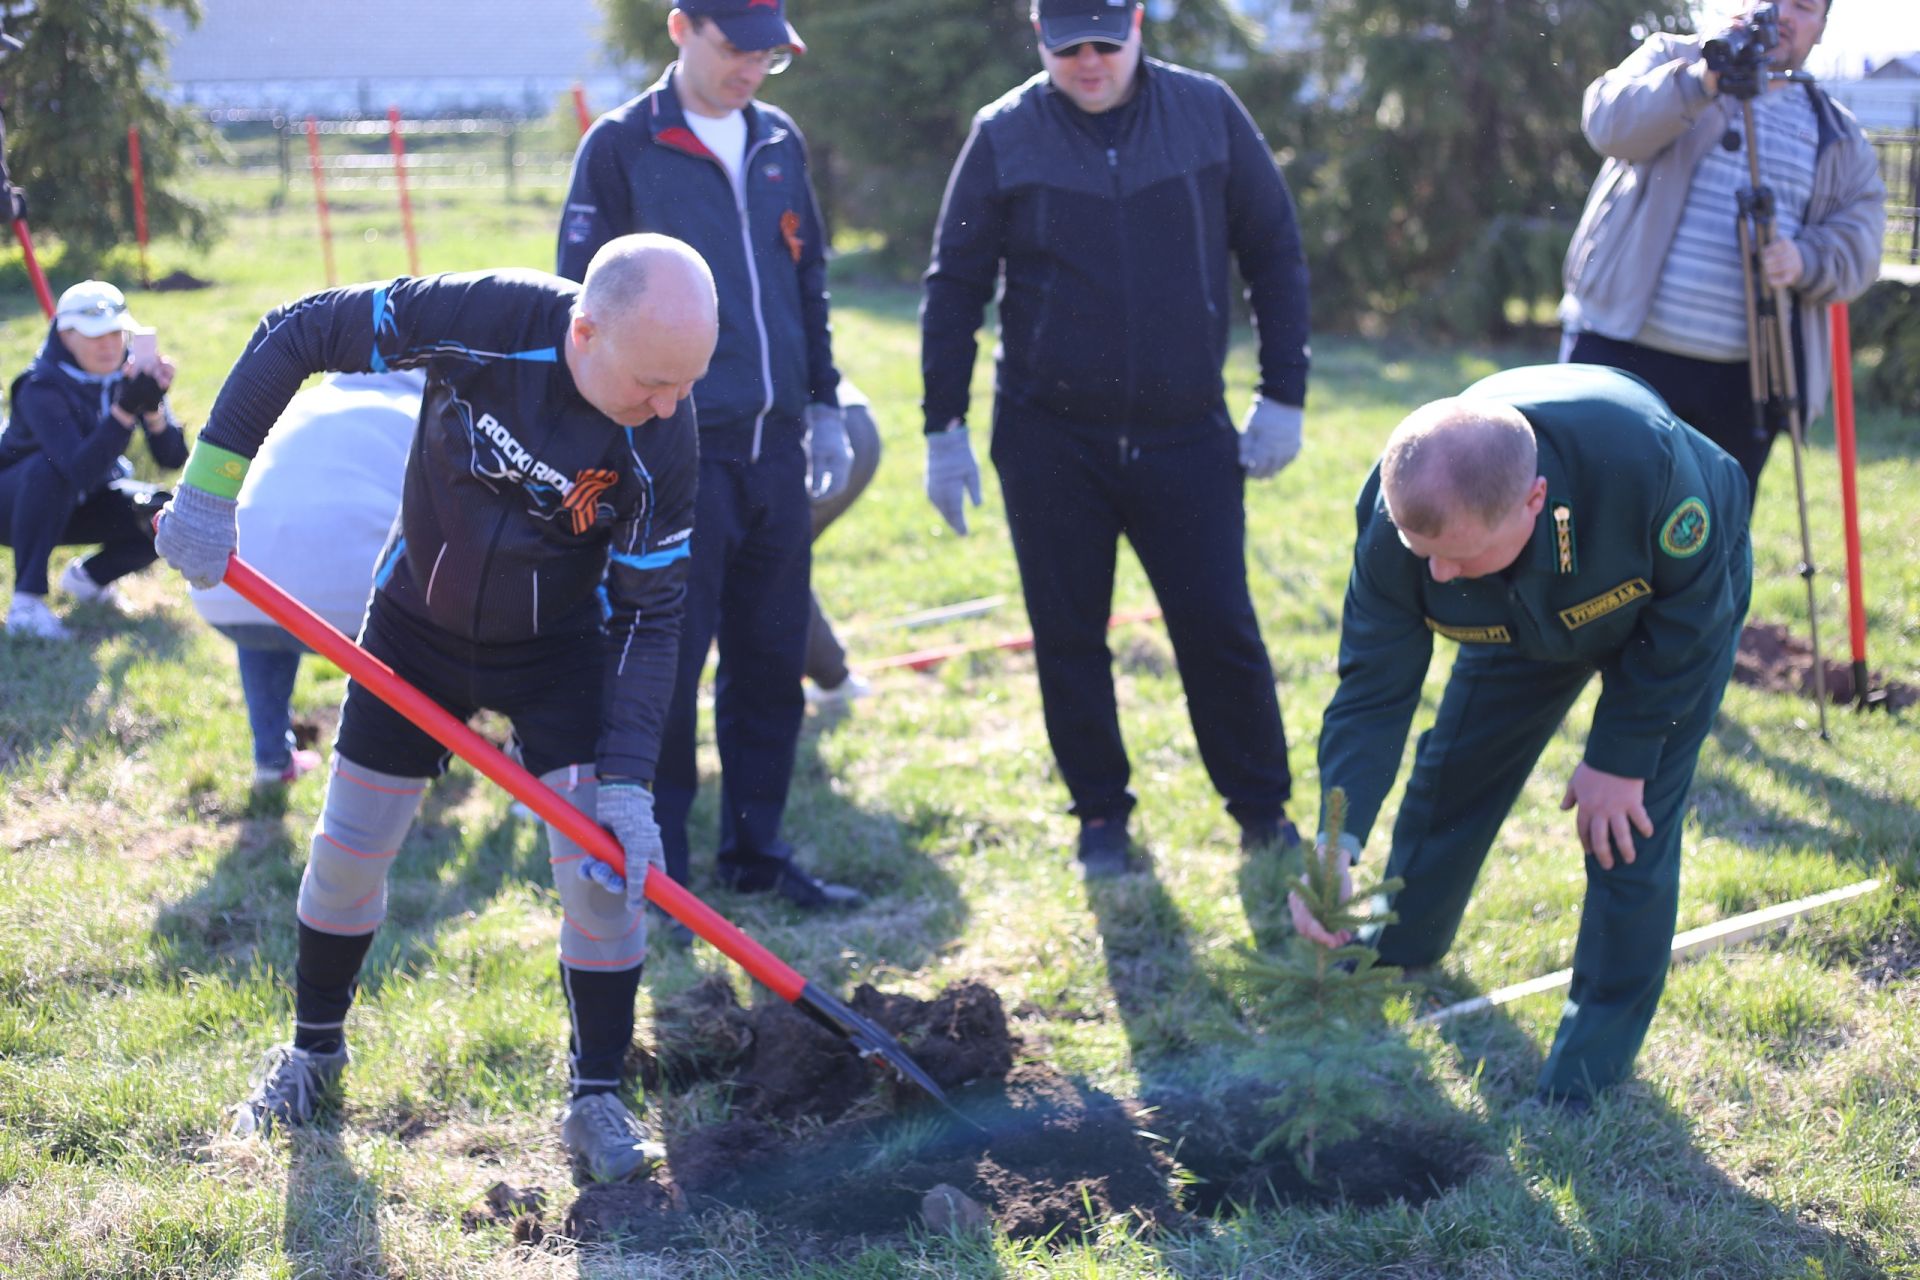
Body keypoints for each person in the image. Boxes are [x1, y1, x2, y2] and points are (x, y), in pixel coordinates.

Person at [154, 235, 717, 1183]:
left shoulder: (667, 433)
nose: (670, 405)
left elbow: (651, 617)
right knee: (346, 856)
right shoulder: (484, 320)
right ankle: (313, 1055)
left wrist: (627, 779)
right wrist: (211, 492)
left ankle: (596, 1098)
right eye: (655, 381)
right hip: (416, 628)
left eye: (686, 384)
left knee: (600, 880)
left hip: (560, 656)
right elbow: (293, 333)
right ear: (585, 332)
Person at [920, 0, 1311, 878]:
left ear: (1138, 25)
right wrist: (941, 426)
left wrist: (1283, 392)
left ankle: (1261, 809)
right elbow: (956, 285)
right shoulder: (1004, 134)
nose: (1089, 62)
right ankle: (1101, 817)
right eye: (1068, 48)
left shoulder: (1207, 113)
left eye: (1106, 42)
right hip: (1050, 437)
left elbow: (1274, 249)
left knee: (1218, 626)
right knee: (1068, 633)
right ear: (1038, 39)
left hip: (1187, 436)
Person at [1303, 363, 1752, 1108]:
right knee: (1455, 770)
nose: (1441, 576)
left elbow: (1693, 622)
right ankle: (1401, 945)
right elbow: (1372, 692)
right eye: (1426, 557)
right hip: (1518, 615)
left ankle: (1588, 1071)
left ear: (1534, 499)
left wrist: (1623, 755)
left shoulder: (1647, 467)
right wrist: (1334, 840)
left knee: (1624, 830)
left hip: (1665, 616)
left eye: (1459, 555)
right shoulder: (1403, 524)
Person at [558, 0, 862, 910]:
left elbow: (807, 278)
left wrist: (827, 403)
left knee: (771, 660)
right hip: (676, 450)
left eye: (772, 55)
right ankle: (663, 876)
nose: (753, 70)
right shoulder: (621, 148)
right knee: (667, 667)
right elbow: (582, 308)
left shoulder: (778, 142)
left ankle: (758, 853)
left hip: (779, 447)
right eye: (738, 49)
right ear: (681, 28)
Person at [1559, 0, 1885, 502]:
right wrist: (1700, 82)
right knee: (1593, 517)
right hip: (1619, 352)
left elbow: (1861, 238)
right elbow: (1607, 122)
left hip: (1745, 384)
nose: (1782, 16)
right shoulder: (1674, 58)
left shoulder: (1834, 132)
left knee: (1704, 545)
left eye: (1803, 7)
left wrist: (1806, 259)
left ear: (1821, 30)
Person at [188, 371, 421, 790]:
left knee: (269, 604)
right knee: (419, 631)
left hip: (232, 585)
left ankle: (271, 760)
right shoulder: (425, 411)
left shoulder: (304, 402)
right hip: (356, 603)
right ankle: (394, 772)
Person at [1, 280, 186, 640]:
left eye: (117, 333)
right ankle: (26, 604)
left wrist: (153, 409)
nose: (109, 345)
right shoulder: (40, 385)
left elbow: (172, 458)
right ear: (65, 335)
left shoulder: (128, 377)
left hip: (79, 501)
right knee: (49, 471)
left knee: (162, 515)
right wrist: (123, 410)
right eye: (94, 335)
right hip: (15, 507)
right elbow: (77, 469)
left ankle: (88, 581)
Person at [802, 376, 880, 706]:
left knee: (753, 569)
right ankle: (832, 677)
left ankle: (834, 679)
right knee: (758, 570)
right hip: (849, 419)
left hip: (824, 433)